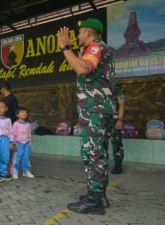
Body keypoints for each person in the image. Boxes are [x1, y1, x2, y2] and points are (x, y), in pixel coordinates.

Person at [58, 18, 115, 214]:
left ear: (89, 33)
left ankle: (94, 201)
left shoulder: (95, 47)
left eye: (80, 33)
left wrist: (65, 48)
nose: (77, 36)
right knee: (100, 153)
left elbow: (82, 68)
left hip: (95, 109)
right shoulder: (94, 48)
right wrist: (77, 49)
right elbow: (87, 67)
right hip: (99, 108)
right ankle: (99, 195)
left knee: (92, 153)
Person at [11, 107, 35, 179]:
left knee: (26, 157)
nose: (24, 113)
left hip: (26, 143)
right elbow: (13, 134)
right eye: (22, 112)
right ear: (17, 115)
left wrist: (30, 142)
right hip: (18, 143)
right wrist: (14, 144)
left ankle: (26, 171)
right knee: (17, 158)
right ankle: (15, 171)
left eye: (25, 112)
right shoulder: (16, 124)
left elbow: (29, 134)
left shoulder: (27, 124)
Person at [108, 84, 125, 174]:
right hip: (101, 121)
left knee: (116, 143)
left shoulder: (116, 88)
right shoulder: (98, 86)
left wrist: (120, 119)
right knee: (101, 143)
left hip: (114, 121)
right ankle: (100, 165)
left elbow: (121, 104)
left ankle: (118, 166)